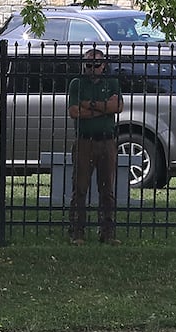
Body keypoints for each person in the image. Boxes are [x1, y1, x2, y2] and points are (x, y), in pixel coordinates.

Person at [67, 49, 122, 246]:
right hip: (84, 140)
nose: (92, 69)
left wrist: (89, 106)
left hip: (107, 140)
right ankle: (77, 231)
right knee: (80, 187)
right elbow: (74, 111)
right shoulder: (77, 84)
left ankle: (107, 232)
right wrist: (104, 108)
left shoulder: (112, 83)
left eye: (96, 65)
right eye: (88, 65)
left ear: (104, 65)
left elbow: (117, 107)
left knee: (107, 188)